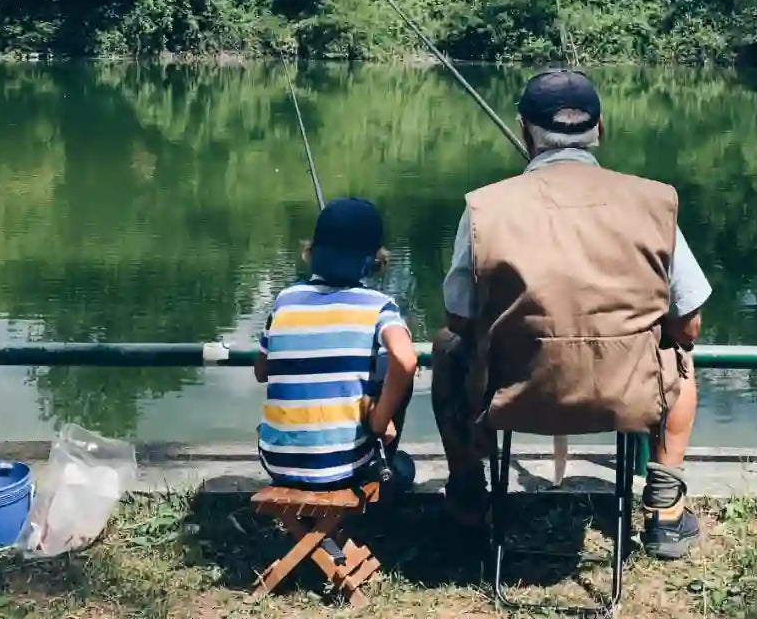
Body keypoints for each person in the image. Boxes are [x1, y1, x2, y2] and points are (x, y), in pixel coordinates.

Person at [434, 70, 711, 559]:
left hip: (511, 396)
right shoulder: (653, 202)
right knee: (680, 358)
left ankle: (468, 497)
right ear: (601, 128)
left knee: (447, 348)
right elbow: (687, 323)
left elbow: (459, 319)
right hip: (627, 398)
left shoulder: (484, 208)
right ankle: (665, 509)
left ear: (524, 131)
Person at [255, 197, 418, 490]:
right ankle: (384, 468)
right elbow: (406, 361)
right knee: (390, 376)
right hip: (345, 467)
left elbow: (261, 372)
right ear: (372, 261)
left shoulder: (284, 301)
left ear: (312, 251)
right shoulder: (380, 307)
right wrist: (380, 421)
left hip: (276, 463)